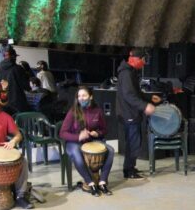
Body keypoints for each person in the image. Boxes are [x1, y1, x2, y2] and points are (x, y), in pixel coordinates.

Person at [0, 85, 33, 209]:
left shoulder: (5, 116)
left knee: (23, 161)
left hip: (1, 154)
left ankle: (21, 196)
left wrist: (13, 141)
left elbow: (18, 135)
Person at [60, 86, 114, 197]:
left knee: (111, 150)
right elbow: (63, 133)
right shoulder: (73, 112)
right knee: (77, 153)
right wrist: (78, 137)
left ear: (91, 96)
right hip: (74, 142)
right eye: (79, 96)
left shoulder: (97, 111)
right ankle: (90, 183)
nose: (81, 98)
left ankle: (102, 182)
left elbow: (104, 129)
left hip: (92, 141)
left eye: (84, 95)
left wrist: (97, 133)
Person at [116, 48, 160, 180]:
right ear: (135, 59)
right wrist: (145, 106)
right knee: (133, 141)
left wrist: (149, 99)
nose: (144, 63)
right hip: (128, 113)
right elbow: (129, 95)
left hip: (131, 112)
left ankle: (130, 167)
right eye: (143, 60)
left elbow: (136, 93)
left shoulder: (130, 72)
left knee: (134, 140)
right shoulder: (126, 74)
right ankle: (128, 170)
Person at [0, 46, 31, 114]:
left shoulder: (0, 68)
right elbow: (27, 86)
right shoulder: (18, 69)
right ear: (13, 57)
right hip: (18, 102)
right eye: (15, 56)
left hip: (5, 100)